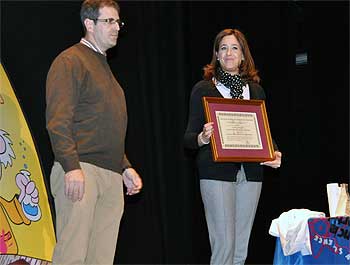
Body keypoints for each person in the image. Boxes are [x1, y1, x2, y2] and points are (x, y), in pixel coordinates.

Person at [45, 0, 142, 264]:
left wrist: (125, 167)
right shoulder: (70, 61)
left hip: (110, 176)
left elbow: (101, 125)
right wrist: (70, 166)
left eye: (118, 22)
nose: (116, 28)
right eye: (108, 21)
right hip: (81, 170)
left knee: (100, 259)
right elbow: (58, 121)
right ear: (89, 24)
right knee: (72, 256)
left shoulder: (104, 68)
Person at [184, 28, 282, 265]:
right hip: (216, 172)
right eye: (224, 48)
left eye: (234, 48)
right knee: (224, 246)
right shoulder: (203, 89)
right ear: (216, 54)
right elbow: (188, 138)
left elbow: (263, 131)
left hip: (251, 174)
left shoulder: (256, 91)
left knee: (240, 248)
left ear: (243, 55)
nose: (229, 53)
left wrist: (274, 152)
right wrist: (203, 138)